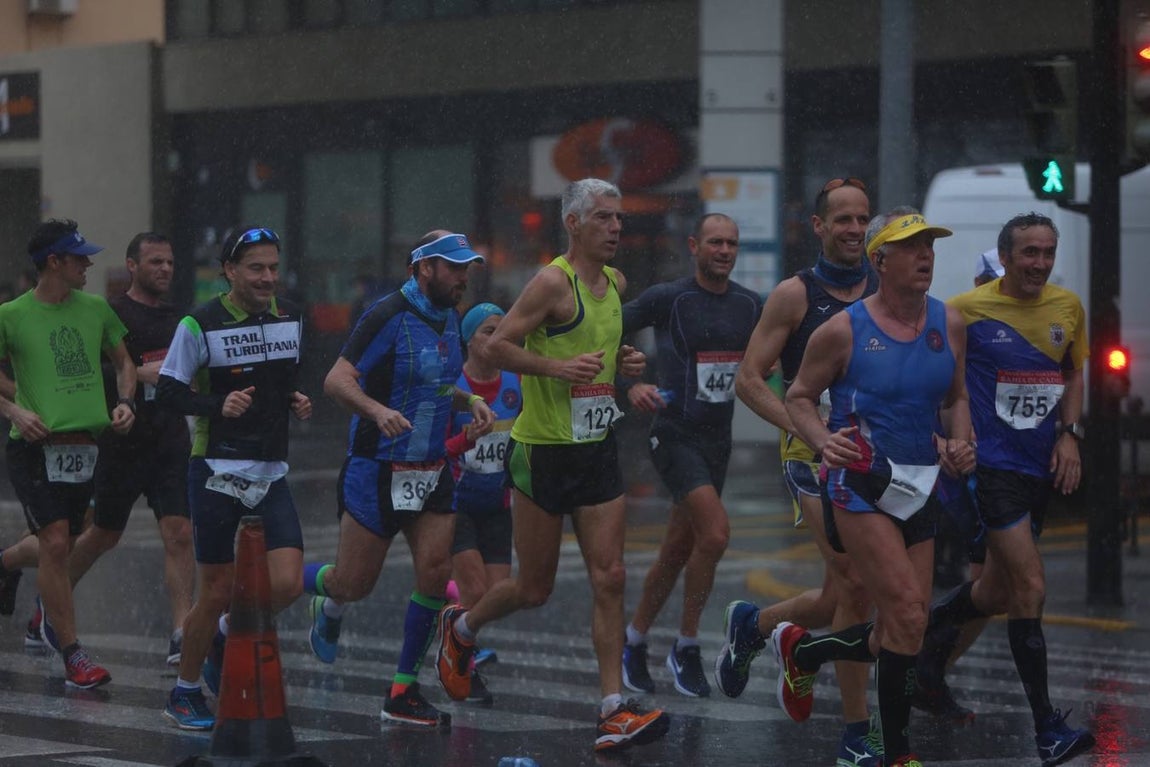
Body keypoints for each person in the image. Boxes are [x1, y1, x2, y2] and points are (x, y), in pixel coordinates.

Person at [434, 178, 669, 753]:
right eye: (604, 218)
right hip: (542, 453)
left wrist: (624, 362)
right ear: (573, 223)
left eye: (619, 218)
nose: (616, 227)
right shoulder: (551, 283)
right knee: (533, 588)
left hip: (597, 448)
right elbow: (495, 346)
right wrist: (554, 369)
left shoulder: (615, 283)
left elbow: (603, 348)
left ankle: (612, 708)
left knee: (610, 577)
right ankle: (461, 628)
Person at [778, 208, 975, 767]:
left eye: (930, 246)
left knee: (898, 629)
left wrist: (961, 442)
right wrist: (823, 441)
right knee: (909, 616)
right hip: (860, 484)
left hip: (920, 486)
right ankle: (894, 753)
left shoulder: (949, 322)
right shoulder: (843, 331)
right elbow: (798, 396)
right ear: (879, 260)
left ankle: (805, 651)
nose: (926, 256)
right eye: (912, 247)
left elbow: (955, 397)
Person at [915, 213, 1095, 766]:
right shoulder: (964, 311)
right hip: (989, 468)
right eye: (1029, 253)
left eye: (1047, 253)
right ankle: (1047, 728)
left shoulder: (1068, 307)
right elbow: (935, 382)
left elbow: (1072, 374)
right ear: (1007, 257)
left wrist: (1069, 435)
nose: (1039, 263)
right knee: (1029, 587)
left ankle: (910, 642)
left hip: (1037, 467)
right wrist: (946, 441)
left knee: (992, 593)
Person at [717, 177, 881, 764]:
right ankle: (858, 734)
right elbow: (748, 379)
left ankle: (758, 626)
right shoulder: (795, 294)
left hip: (873, 456)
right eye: (843, 220)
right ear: (818, 226)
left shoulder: (883, 288)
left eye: (862, 219)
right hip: (811, 459)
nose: (855, 230)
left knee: (840, 594)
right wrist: (806, 428)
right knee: (855, 584)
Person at [303, 231, 494, 728]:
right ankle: (309, 590)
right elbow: (336, 380)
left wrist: (470, 400)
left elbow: (438, 382)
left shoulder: (449, 315)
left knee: (433, 572)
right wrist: (376, 410)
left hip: (431, 469)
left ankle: (402, 691)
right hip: (378, 467)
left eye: (466, 268)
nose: (463, 277)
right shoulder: (386, 315)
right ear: (424, 268)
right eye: (454, 267)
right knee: (353, 583)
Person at [1, 233, 196, 667]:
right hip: (113, 445)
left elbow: (161, 368)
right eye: (156, 261)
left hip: (167, 440)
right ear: (132, 266)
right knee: (92, 536)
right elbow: (89, 370)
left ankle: (181, 632)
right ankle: (47, 604)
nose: (166, 269)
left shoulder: (175, 318)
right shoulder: (101, 311)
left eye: (170, 261)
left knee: (179, 533)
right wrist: (139, 376)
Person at [158, 226, 311, 730]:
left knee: (287, 583)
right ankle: (183, 692)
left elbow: (282, 379)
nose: (268, 278)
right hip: (216, 469)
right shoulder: (199, 323)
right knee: (217, 589)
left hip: (270, 470)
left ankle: (224, 634)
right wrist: (216, 405)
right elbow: (169, 393)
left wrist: (295, 399)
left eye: (273, 267)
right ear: (229, 271)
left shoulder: (290, 316)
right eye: (256, 268)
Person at [618, 212, 760, 698]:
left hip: (718, 440)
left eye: (732, 244)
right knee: (715, 534)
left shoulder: (749, 305)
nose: (724, 251)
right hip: (673, 434)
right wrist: (630, 383)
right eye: (715, 242)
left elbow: (783, 347)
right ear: (695, 246)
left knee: (678, 548)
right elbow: (603, 329)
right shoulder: (669, 297)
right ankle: (687, 645)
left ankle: (634, 639)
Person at [0, 219, 137, 689]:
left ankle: (5, 563)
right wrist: (14, 410)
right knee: (57, 542)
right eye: (79, 258)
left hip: (85, 446)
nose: (88, 265)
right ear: (54, 262)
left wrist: (126, 402)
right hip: (33, 446)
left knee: (65, 540)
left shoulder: (96, 309)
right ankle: (73, 653)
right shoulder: (11, 315)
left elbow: (124, 362)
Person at [443, 301, 521, 705]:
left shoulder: (516, 383)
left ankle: (444, 598)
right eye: (489, 331)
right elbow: (436, 451)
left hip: (498, 504)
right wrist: (465, 439)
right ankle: (463, 669)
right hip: (456, 503)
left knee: (499, 595)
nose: (497, 338)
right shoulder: (453, 387)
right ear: (468, 341)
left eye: (502, 330)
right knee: (474, 591)